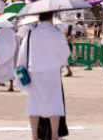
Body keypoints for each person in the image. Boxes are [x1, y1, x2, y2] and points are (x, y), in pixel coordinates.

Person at [16, 11, 71, 140]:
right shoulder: (57, 32)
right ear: (51, 17)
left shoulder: (31, 33)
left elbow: (23, 53)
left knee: (34, 103)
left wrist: (21, 67)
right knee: (54, 103)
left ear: (39, 17)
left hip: (35, 71)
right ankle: (54, 135)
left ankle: (34, 136)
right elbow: (65, 53)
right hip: (52, 72)